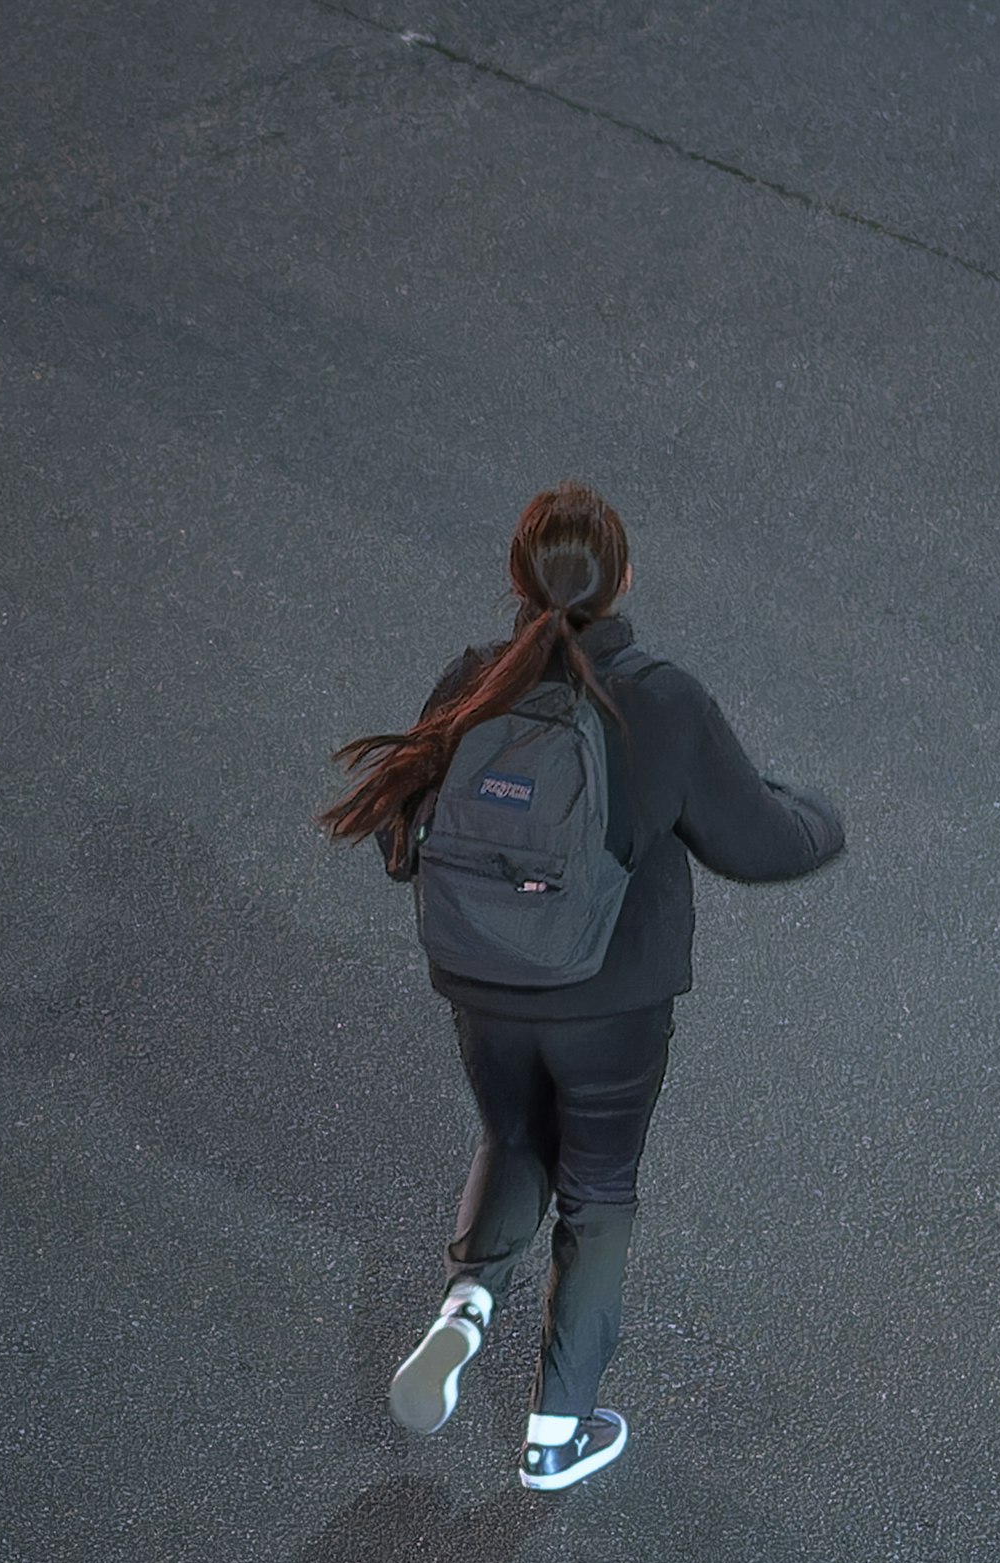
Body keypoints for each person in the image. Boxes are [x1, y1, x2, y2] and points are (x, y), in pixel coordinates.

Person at [318, 483, 842, 1491]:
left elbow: (406, 841)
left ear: (515, 578)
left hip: (482, 984)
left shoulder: (473, 680)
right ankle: (556, 1434)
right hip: (611, 998)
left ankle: (468, 1304)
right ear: (624, 578)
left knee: (515, 1135)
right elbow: (762, 844)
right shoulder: (662, 699)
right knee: (597, 1197)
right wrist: (820, 811)